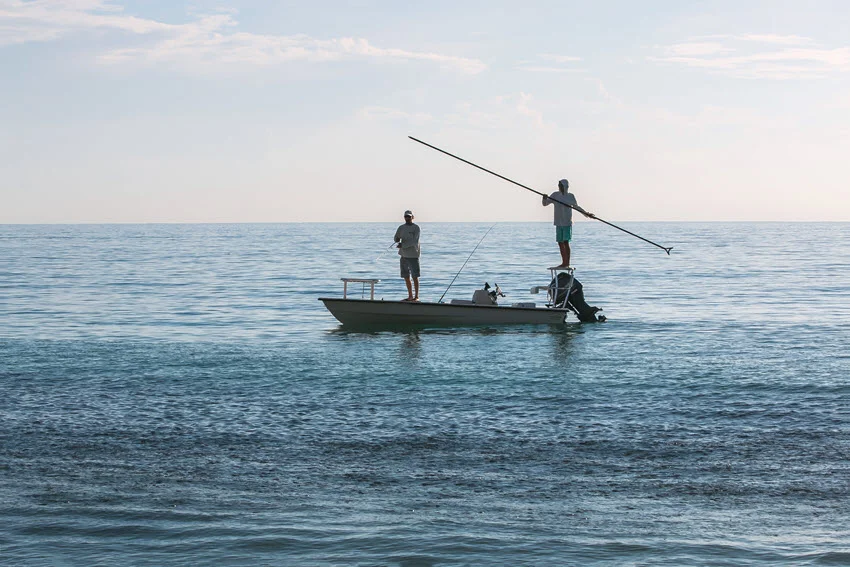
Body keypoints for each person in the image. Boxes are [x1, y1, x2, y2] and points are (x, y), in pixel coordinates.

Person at [542, 179, 594, 268]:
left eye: (560, 185)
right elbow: (545, 204)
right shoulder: (555, 195)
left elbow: (577, 207)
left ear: (565, 186)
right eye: (559, 185)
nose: (559, 187)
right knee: (560, 242)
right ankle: (563, 262)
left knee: (566, 242)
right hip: (558, 222)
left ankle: (567, 263)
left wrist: (587, 214)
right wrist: (544, 198)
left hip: (566, 222)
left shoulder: (570, 196)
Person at [394, 209, 421, 301]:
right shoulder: (401, 227)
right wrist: (396, 239)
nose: (407, 218)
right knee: (406, 276)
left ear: (412, 217)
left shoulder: (416, 228)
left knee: (415, 276)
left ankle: (416, 296)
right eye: (406, 216)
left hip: (413, 255)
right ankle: (410, 296)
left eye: (409, 216)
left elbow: (414, 241)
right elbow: (396, 237)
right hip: (403, 255)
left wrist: (403, 245)